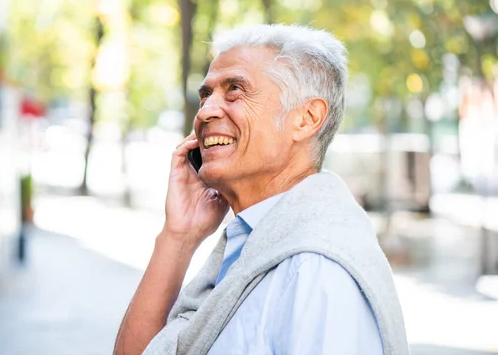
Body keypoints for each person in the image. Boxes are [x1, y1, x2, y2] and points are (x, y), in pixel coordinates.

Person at [114, 24, 408, 355]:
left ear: (307, 119)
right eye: (206, 94)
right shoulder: (252, 245)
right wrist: (178, 236)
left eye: (235, 89)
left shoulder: (315, 269)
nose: (206, 110)